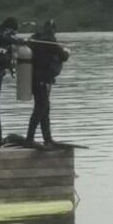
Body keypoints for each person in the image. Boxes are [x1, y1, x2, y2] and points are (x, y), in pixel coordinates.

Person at [25, 20, 70, 148]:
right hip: (43, 80)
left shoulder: (35, 40)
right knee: (40, 109)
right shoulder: (50, 41)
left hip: (33, 79)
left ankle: (48, 139)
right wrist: (67, 51)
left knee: (44, 109)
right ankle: (30, 139)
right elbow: (63, 56)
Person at [0, 17, 22, 108]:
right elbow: (3, 39)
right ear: (9, 28)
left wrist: (11, 70)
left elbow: (9, 55)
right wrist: (18, 41)